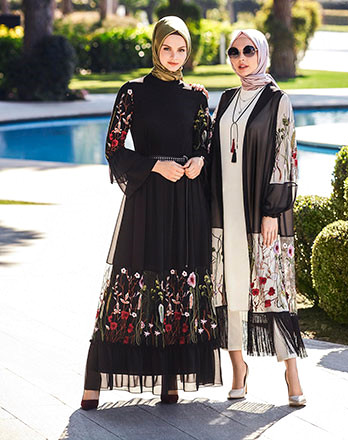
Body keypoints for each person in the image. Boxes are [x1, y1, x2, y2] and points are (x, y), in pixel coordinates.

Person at [80, 16, 221, 410]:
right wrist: (156, 165)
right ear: (156, 48)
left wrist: (198, 160)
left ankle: (170, 378)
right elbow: (113, 148)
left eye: (181, 49)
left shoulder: (197, 96)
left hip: (186, 204)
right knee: (131, 282)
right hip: (147, 200)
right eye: (167, 48)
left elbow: (205, 145)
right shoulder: (133, 92)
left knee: (178, 284)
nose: (174, 56)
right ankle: (94, 382)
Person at [210, 29, 306, 406]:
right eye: (234, 52)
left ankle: (291, 373)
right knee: (229, 288)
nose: (241, 58)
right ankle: (239, 369)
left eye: (248, 50)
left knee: (273, 290)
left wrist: (272, 212)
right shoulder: (226, 99)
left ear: (261, 53)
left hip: (260, 211)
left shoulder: (277, 100)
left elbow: (285, 156)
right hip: (225, 210)